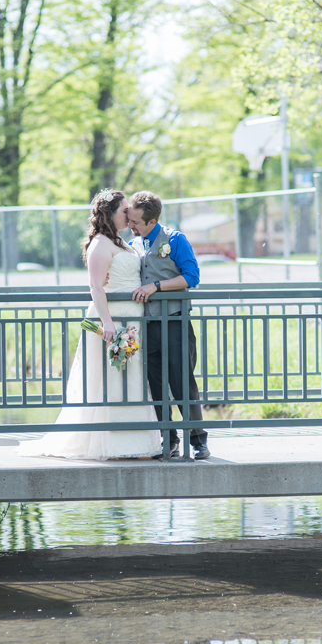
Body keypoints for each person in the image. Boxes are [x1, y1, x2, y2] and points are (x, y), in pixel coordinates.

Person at [21, 189, 164, 461]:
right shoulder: (100, 243)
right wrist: (108, 324)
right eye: (124, 210)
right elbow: (95, 286)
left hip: (132, 320)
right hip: (111, 323)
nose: (129, 214)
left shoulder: (122, 242)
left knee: (130, 379)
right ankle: (110, 442)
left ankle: (134, 441)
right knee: (109, 380)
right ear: (110, 213)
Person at [125, 190, 209, 461]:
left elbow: (192, 276)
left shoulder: (176, 239)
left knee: (182, 382)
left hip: (175, 321)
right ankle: (169, 439)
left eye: (136, 221)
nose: (131, 225)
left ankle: (198, 440)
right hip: (147, 325)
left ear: (151, 221)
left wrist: (156, 286)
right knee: (156, 383)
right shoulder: (134, 243)